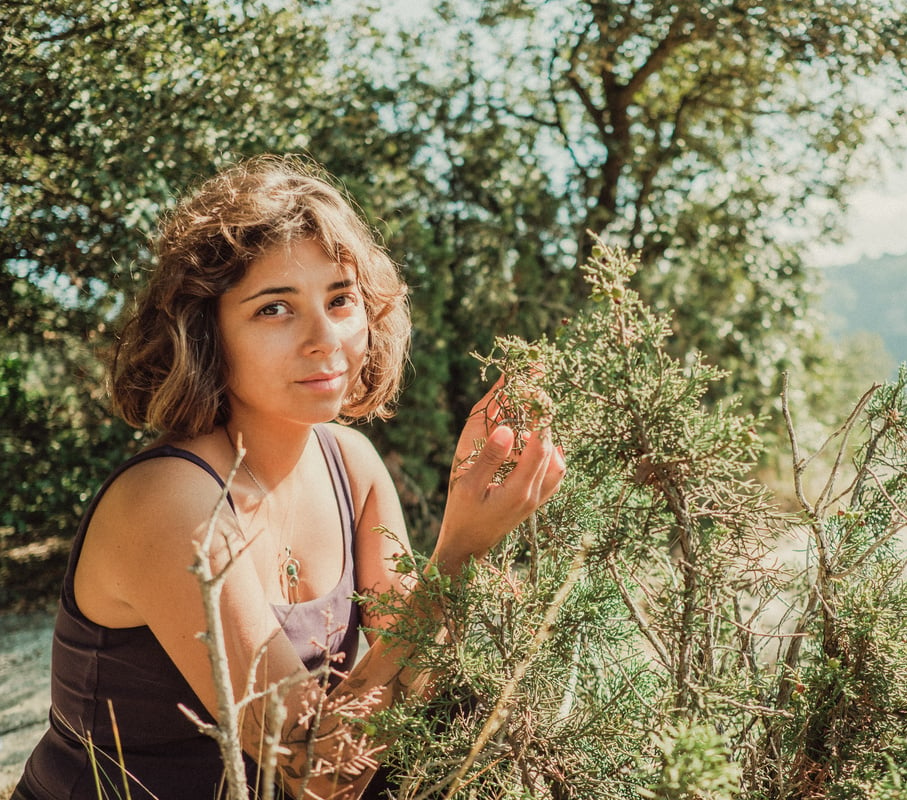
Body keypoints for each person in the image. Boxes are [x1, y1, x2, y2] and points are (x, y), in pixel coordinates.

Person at [13, 155, 565, 799]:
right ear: (206, 332)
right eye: (275, 308)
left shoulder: (350, 466)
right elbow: (321, 771)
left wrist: (496, 561)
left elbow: (419, 679)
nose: (324, 336)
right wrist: (461, 553)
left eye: (341, 299)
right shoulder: (170, 502)